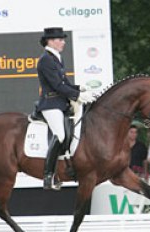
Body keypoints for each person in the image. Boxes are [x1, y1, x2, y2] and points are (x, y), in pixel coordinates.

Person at [36, 27, 95, 190]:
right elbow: (56, 85)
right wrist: (76, 96)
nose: (63, 42)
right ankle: (48, 175)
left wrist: (79, 88)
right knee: (60, 135)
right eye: (60, 39)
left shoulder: (56, 58)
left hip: (61, 104)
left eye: (63, 39)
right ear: (50, 41)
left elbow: (65, 84)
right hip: (51, 104)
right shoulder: (46, 59)